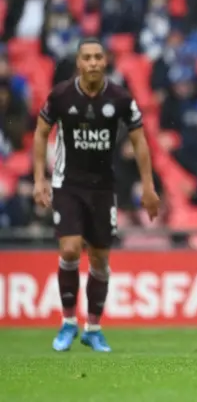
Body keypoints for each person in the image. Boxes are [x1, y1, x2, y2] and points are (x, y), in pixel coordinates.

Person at [32, 38, 160, 352]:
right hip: (68, 185)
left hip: (103, 188)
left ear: (105, 62)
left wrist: (148, 186)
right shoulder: (61, 96)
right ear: (78, 62)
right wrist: (39, 179)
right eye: (86, 57)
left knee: (100, 258)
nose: (92, 62)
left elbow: (140, 141)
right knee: (72, 249)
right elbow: (40, 132)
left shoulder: (119, 98)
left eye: (97, 57)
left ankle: (93, 327)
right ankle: (67, 322)